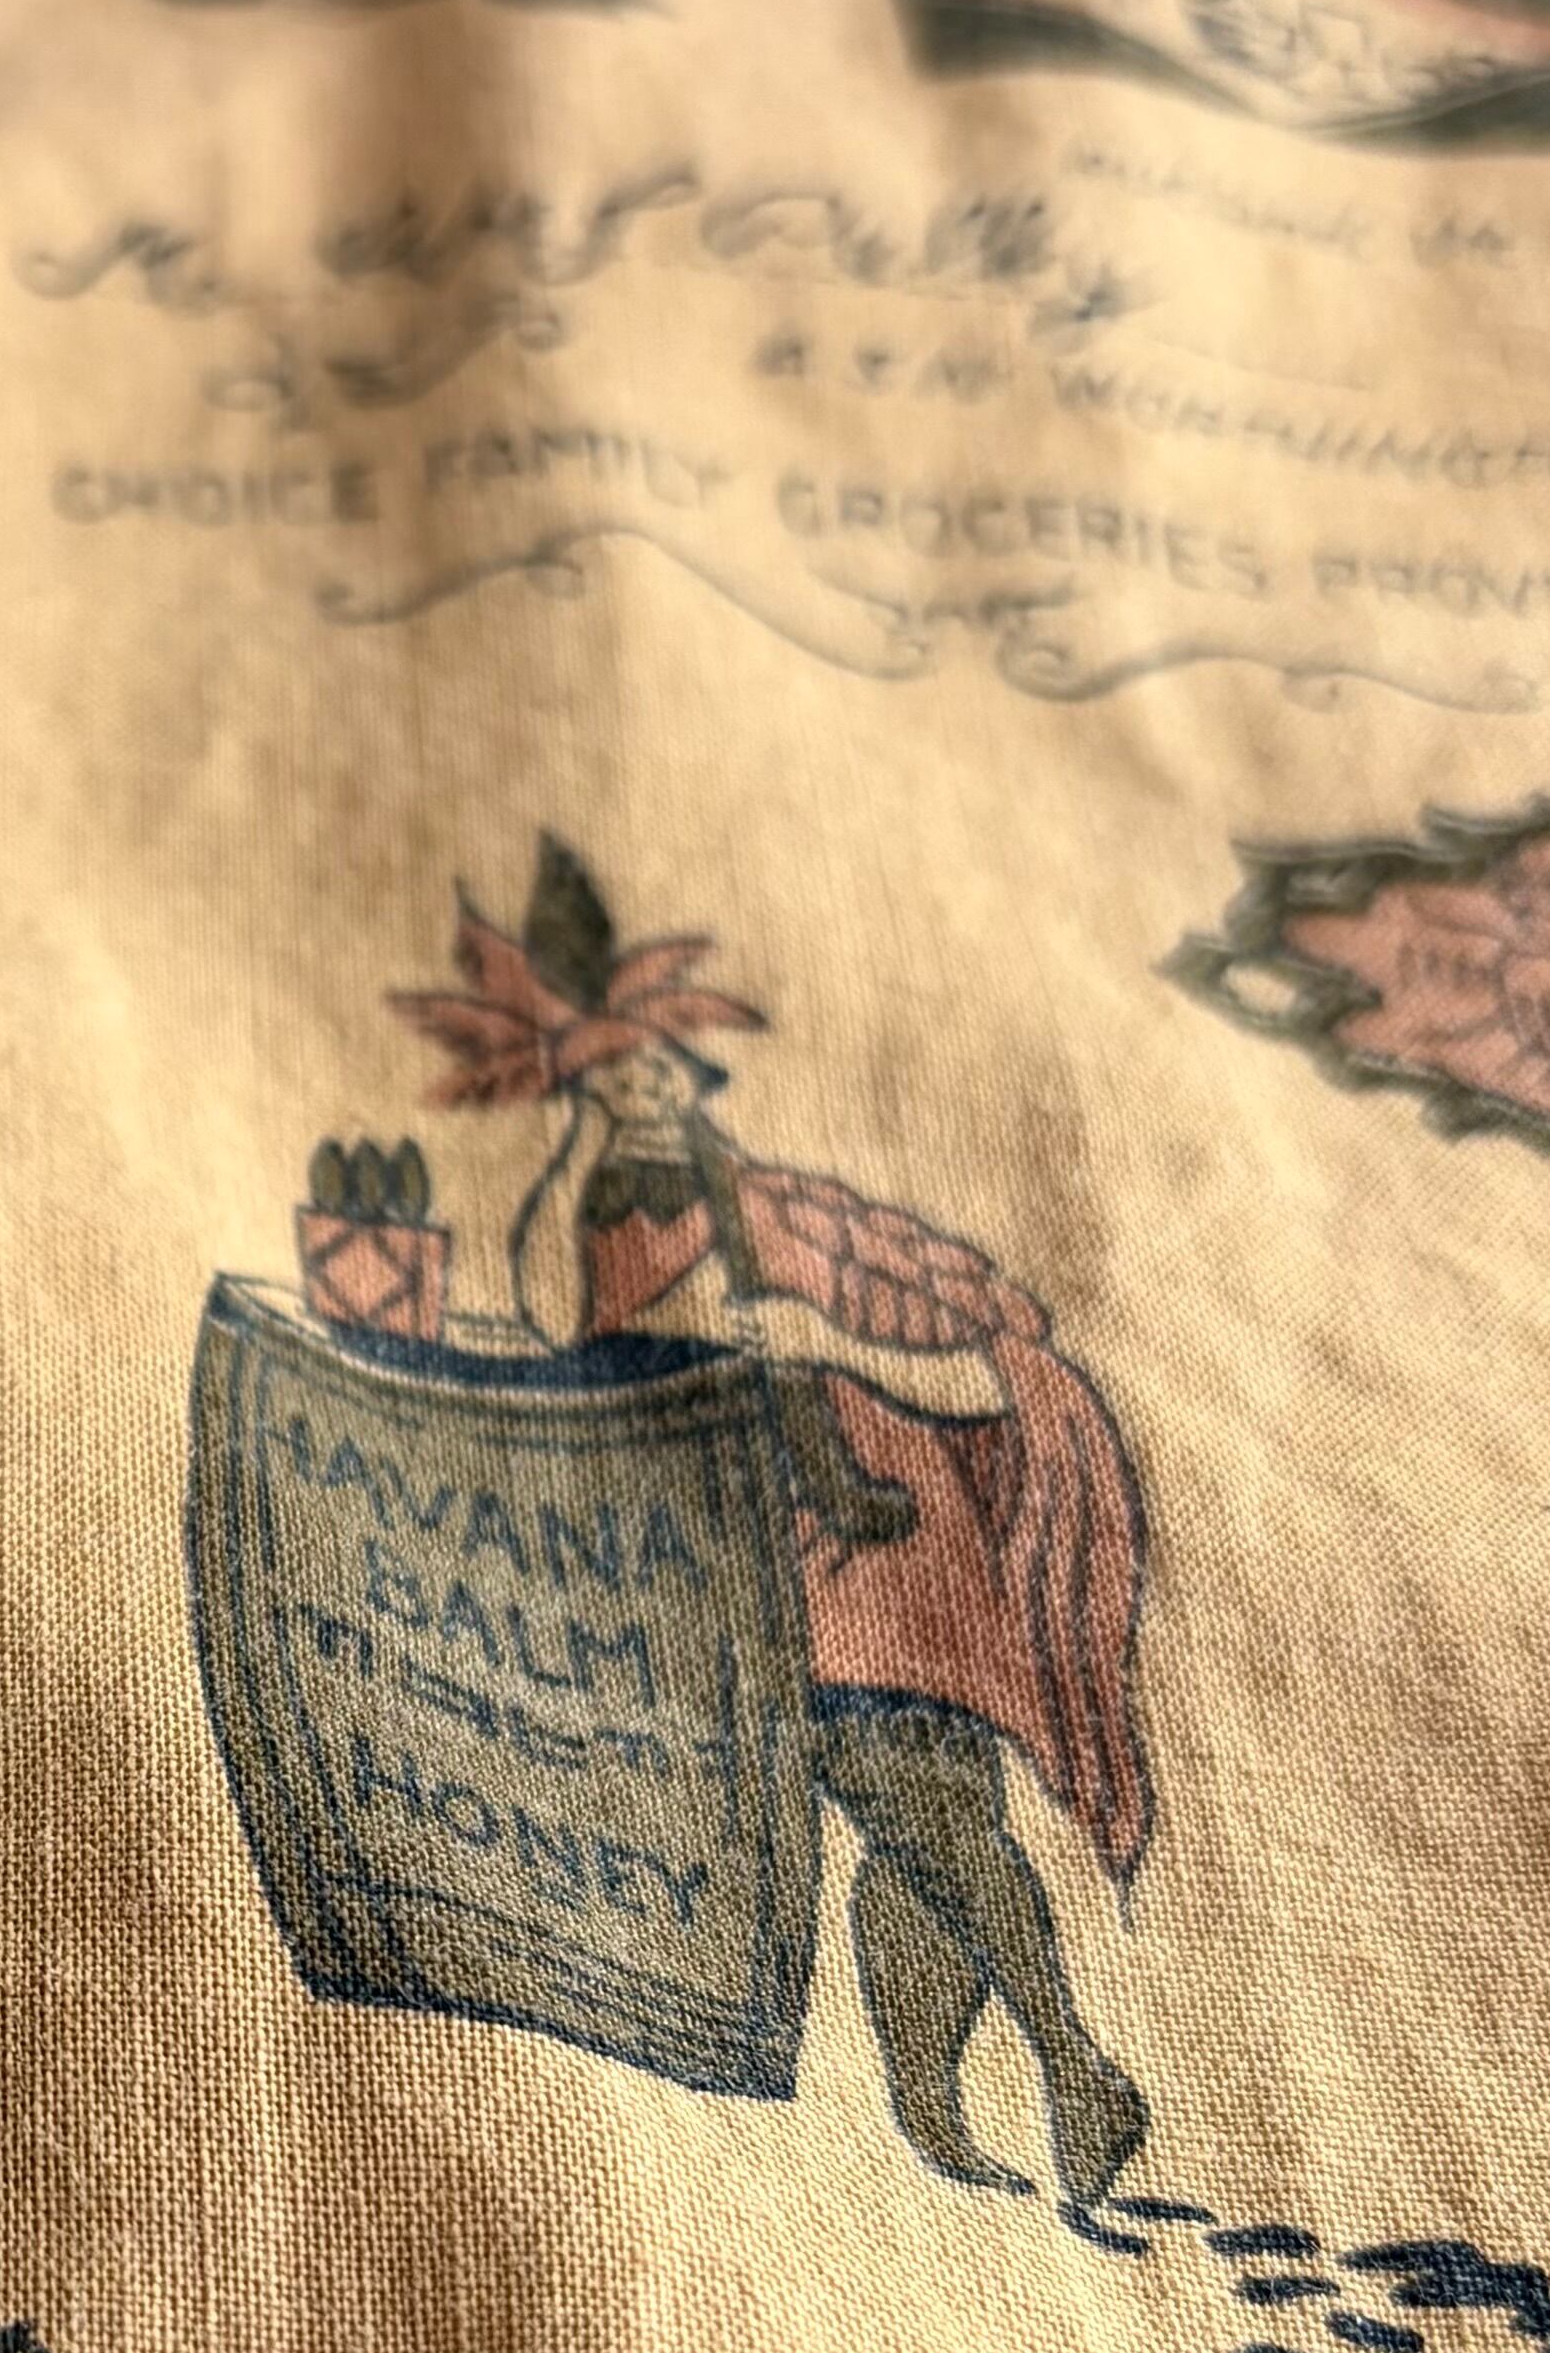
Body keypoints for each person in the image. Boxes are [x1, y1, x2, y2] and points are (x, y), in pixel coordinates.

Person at [414, 838, 1155, 2206]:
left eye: (655, 1074)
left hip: (862, 1532)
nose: (640, 1092)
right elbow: (550, 1312)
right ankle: (1000, 2096)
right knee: (915, 1821)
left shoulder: (759, 1205)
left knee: (925, 1813)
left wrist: (956, 1328)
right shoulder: (596, 1199)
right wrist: (575, 1150)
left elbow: (890, 1279)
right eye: (613, 1079)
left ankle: (1026, 2086)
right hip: (740, 1537)